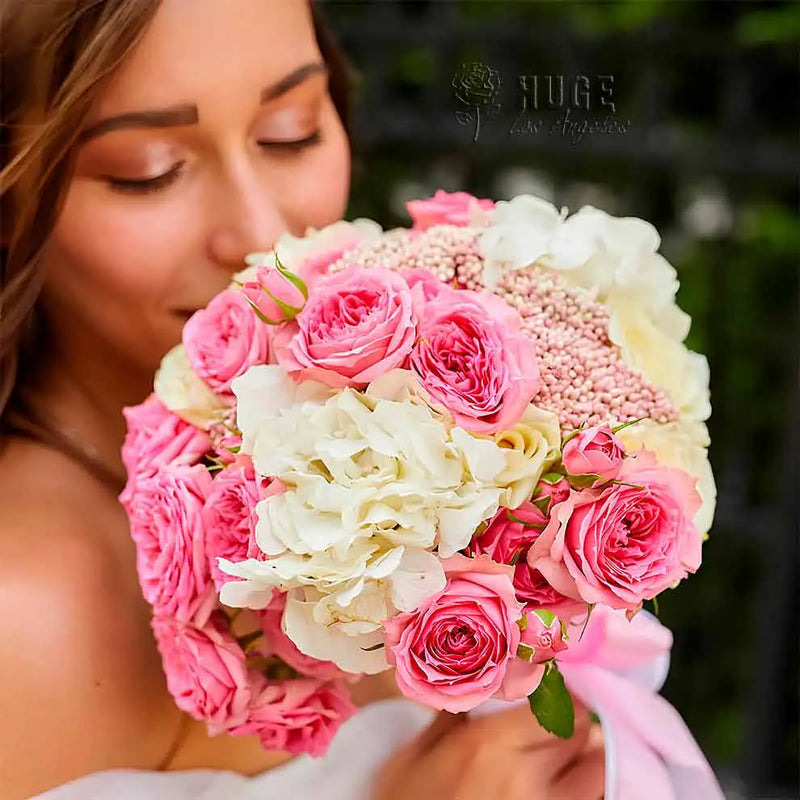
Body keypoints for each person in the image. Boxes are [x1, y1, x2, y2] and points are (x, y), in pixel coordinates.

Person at [0, 2, 605, 798]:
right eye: (145, 170)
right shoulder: (31, 615)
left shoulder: (437, 435)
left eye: (292, 130)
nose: (259, 231)